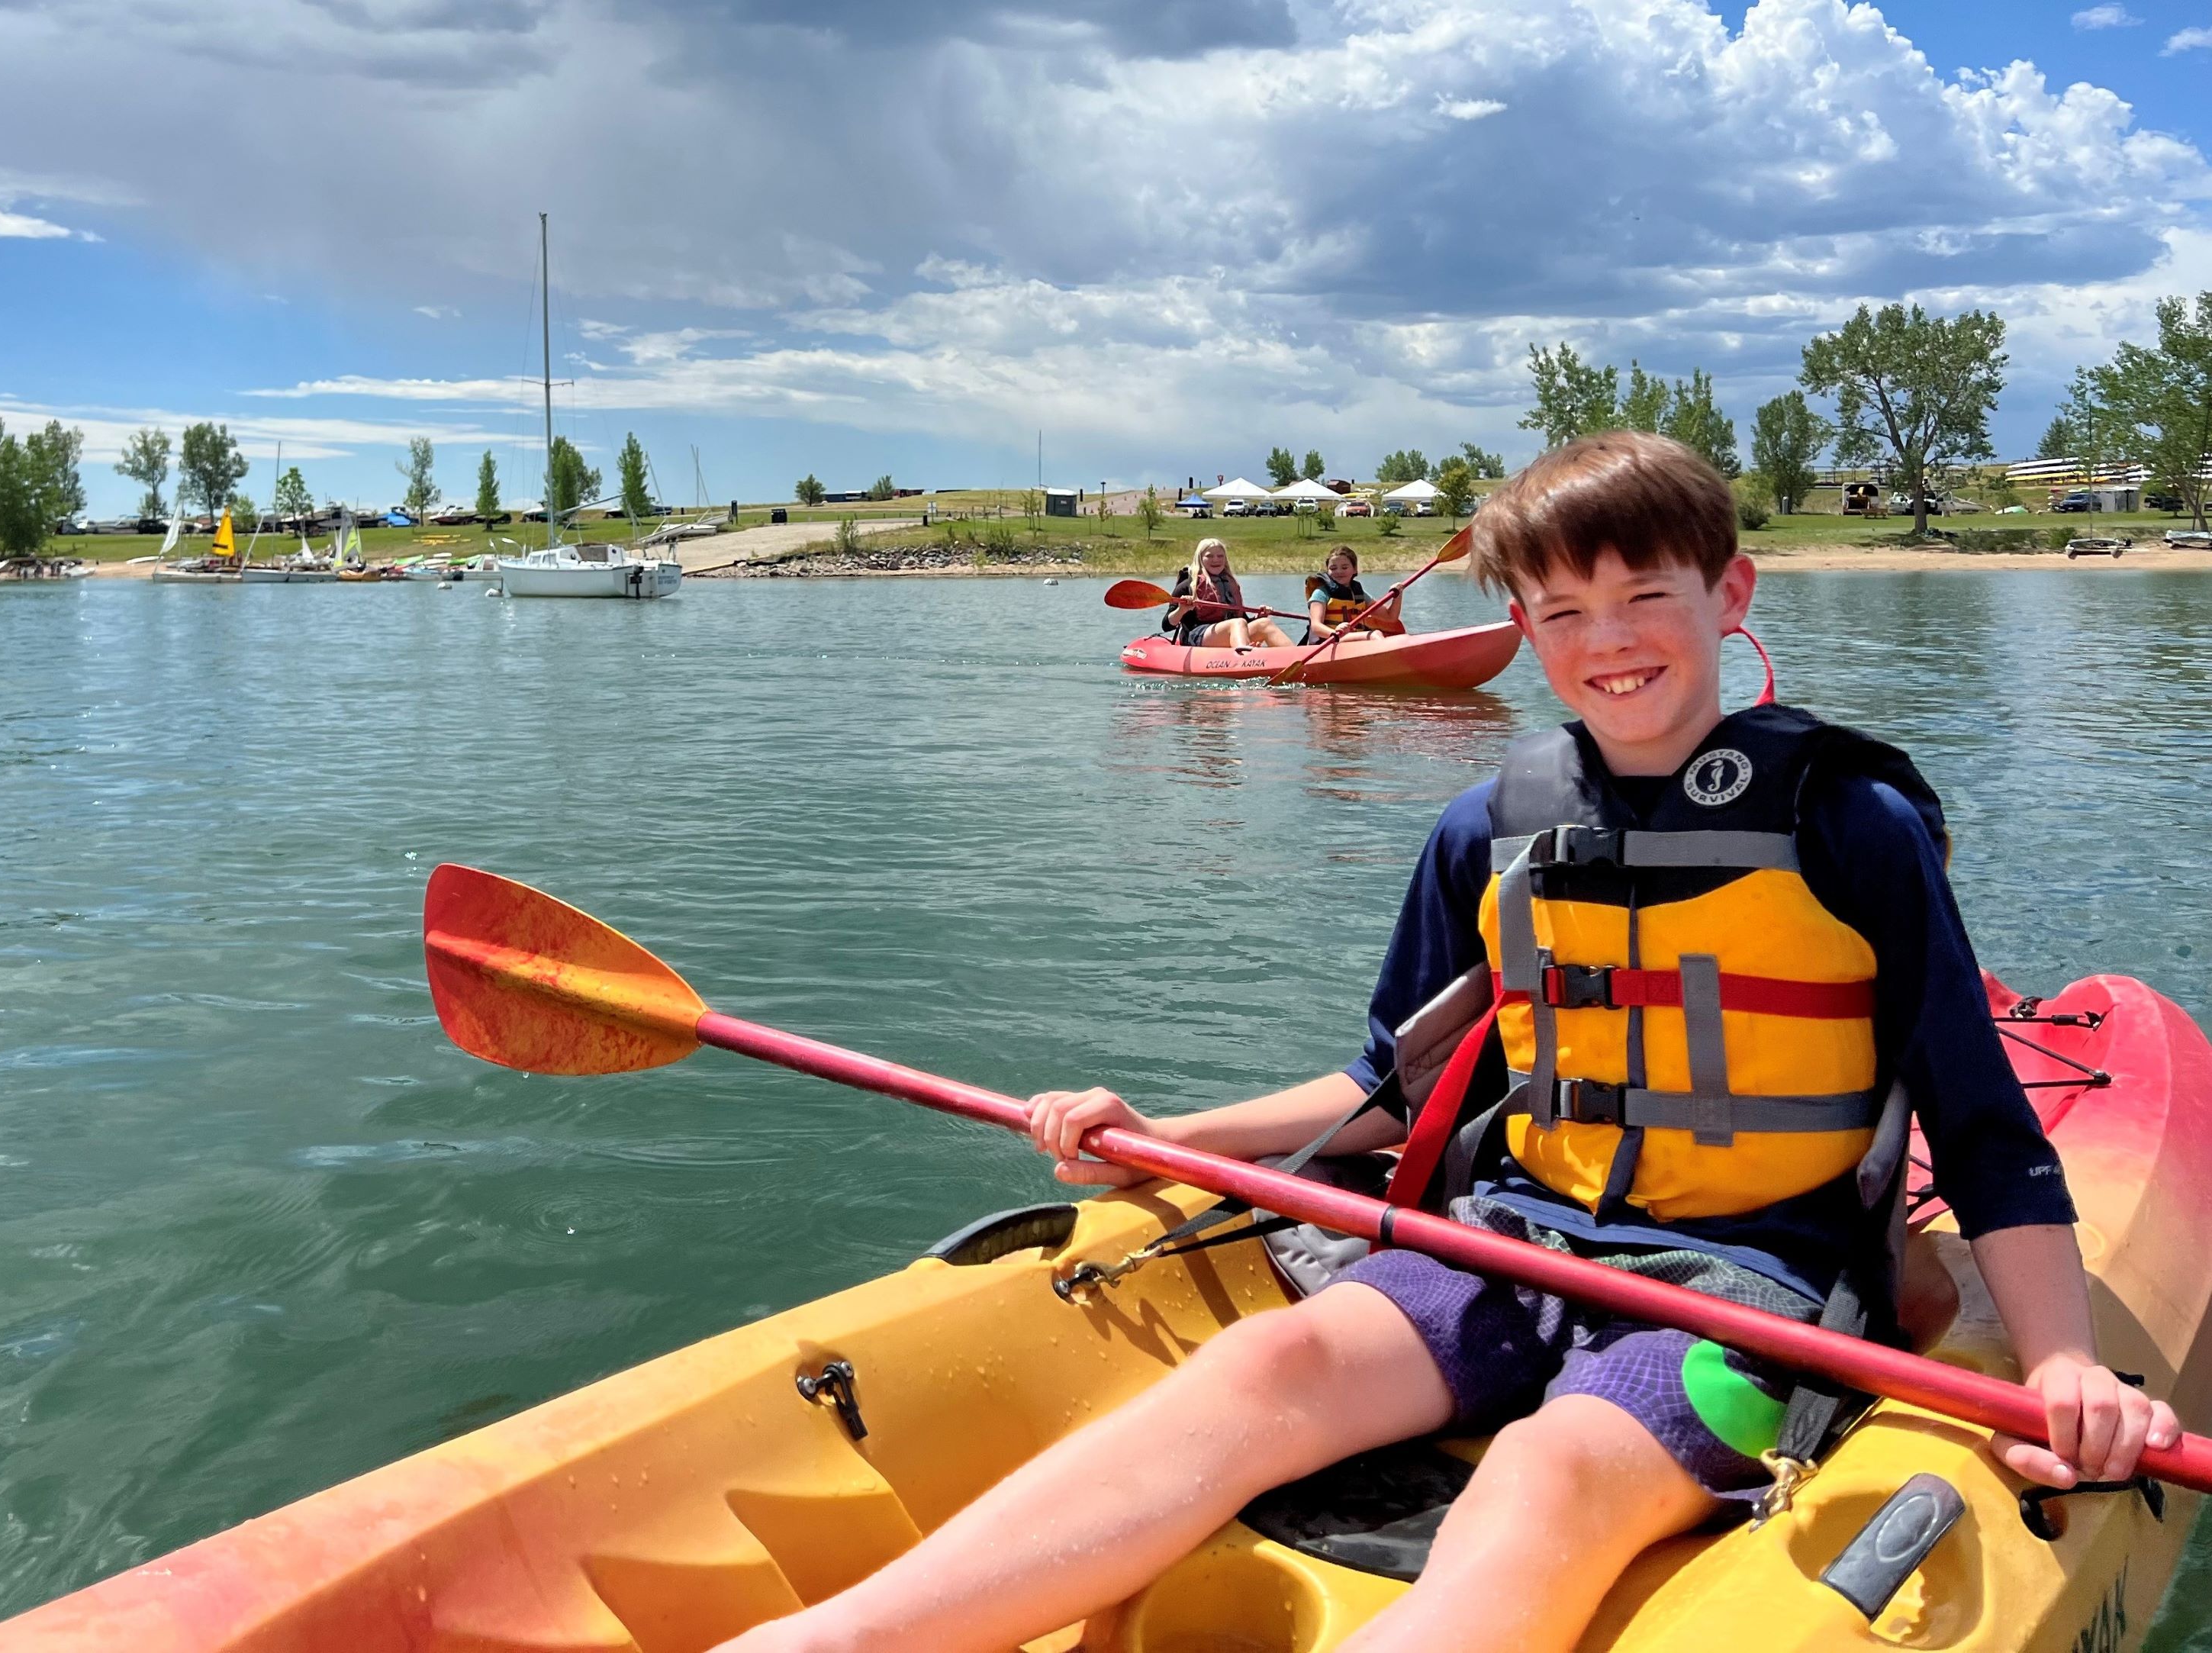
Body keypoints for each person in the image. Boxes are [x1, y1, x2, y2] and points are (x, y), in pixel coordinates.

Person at [714, 431, 2180, 1653]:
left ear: (1725, 589)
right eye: (1558, 612)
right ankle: (836, 1639)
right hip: (1501, 1248)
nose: (1604, 642)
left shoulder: (1844, 827)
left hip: (1743, 1295)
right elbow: (1378, 1096)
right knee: (1261, 1368)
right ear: (1525, 629)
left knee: (1548, 1470)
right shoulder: (1485, 829)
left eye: (1641, 596)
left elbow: (1982, 1131)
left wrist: (2059, 1362)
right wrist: (1151, 1131)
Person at [1164, 537, 1294, 648]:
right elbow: (1167, 625)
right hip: (1197, 637)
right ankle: (1245, 656)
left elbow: (1244, 621)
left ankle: (1296, 657)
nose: (1216, 560)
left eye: (1220, 556)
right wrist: (1181, 610)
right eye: (1210, 556)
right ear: (1200, 559)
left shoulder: (1231, 584)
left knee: (1264, 624)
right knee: (1237, 623)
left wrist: (1258, 618)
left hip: (1229, 631)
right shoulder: (1187, 586)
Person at [1304, 546, 1403, 643]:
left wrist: (1397, 596)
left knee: (1379, 635)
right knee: (1374, 635)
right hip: (1330, 641)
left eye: (1344, 567)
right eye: (1333, 568)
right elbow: (1316, 626)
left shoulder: (1359, 594)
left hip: (1352, 640)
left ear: (1354, 569)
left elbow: (1390, 617)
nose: (1339, 571)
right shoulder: (1321, 594)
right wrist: (1335, 633)